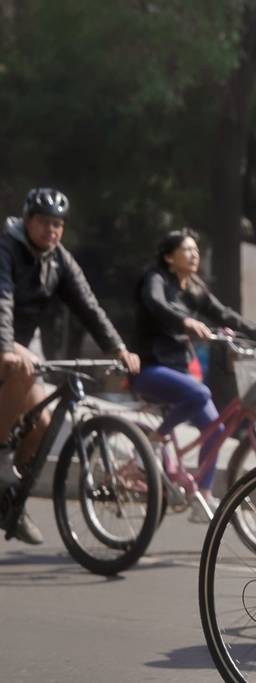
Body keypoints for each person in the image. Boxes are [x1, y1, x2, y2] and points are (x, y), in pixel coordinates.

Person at [0, 188, 141, 545]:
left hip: (20, 347)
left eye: (58, 225)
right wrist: (5, 348)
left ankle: (7, 503)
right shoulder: (6, 249)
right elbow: (2, 300)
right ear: (28, 221)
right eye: (45, 223)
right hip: (4, 341)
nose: (52, 230)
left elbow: (88, 305)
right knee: (25, 368)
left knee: (41, 427)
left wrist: (117, 347)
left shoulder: (59, 259)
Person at [132, 229, 256, 521]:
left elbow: (224, 314)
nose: (194, 255)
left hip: (178, 372)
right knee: (201, 392)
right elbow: (156, 304)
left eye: (196, 250)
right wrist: (185, 321)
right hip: (150, 369)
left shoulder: (192, 287)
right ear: (169, 257)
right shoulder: (155, 279)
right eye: (187, 250)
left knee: (215, 430)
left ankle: (202, 497)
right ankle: (155, 438)